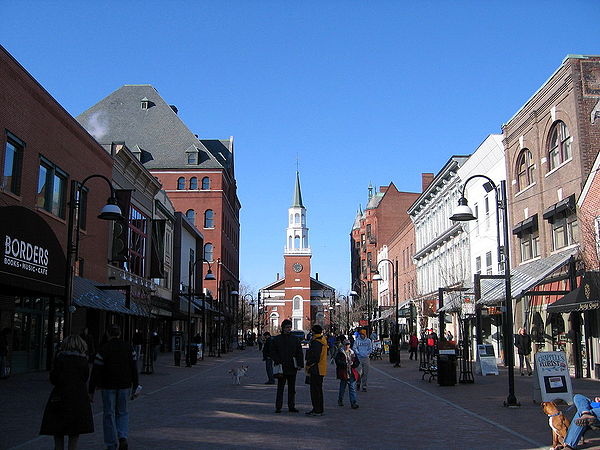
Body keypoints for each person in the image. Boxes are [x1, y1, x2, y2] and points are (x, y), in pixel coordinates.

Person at [89, 324, 139, 450]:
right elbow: (134, 368)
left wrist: (91, 390)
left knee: (108, 414)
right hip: (124, 384)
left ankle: (111, 443)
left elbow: (96, 370)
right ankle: (122, 436)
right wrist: (136, 385)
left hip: (107, 385)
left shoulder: (104, 349)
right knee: (122, 412)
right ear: (120, 334)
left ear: (107, 334)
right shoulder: (128, 348)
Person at [40, 335, 94, 450]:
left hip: (60, 397)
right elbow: (85, 377)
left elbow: (53, 378)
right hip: (78, 398)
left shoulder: (60, 358)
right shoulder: (83, 360)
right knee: (74, 433)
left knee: (58, 432)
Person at [270, 319, 304, 413]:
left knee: (292, 389)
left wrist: (300, 364)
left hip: (292, 366)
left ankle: (291, 406)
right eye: (287, 327)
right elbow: (272, 351)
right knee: (280, 388)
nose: (288, 329)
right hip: (281, 367)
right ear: (283, 328)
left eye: (289, 327)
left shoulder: (295, 339)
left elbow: (299, 353)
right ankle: (278, 406)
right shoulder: (277, 339)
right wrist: (277, 360)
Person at [305, 324, 328, 416]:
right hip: (321, 368)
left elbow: (315, 357)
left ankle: (317, 409)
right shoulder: (322, 340)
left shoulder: (316, 342)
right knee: (318, 390)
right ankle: (319, 409)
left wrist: (309, 364)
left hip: (316, 368)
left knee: (315, 391)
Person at [335, 339, 360, 409]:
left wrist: (353, 364)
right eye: (346, 344)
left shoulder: (352, 353)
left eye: (348, 344)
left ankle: (353, 403)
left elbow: (357, 362)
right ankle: (340, 400)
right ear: (343, 345)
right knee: (342, 388)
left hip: (351, 372)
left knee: (352, 388)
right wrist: (344, 364)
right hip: (344, 373)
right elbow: (337, 361)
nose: (347, 346)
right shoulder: (340, 352)